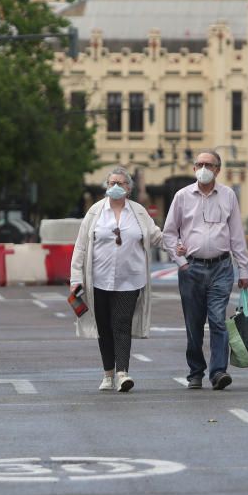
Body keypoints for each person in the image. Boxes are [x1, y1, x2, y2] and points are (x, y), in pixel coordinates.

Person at [162, 150, 248, 391]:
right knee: (194, 324)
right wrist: (181, 263)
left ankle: (219, 371)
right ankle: (195, 372)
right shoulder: (181, 196)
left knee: (218, 320)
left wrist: (243, 269)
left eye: (208, 165)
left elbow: (236, 235)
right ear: (193, 169)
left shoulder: (228, 195)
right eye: (199, 164)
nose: (203, 168)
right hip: (191, 269)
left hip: (221, 267)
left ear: (217, 170)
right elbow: (168, 233)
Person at [70, 168, 164, 392]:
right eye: (112, 182)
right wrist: (75, 277)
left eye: (121, 183)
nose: (116, 186)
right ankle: (108, 374)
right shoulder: (95, 212)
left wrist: (178, 243)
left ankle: (123, 373)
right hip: (98, 280)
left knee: (122, 324)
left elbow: (156, 236)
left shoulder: (139, 212)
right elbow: (81, 247)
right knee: (104, 328)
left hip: (130, 280)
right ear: (106, 185)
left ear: (129, 188)